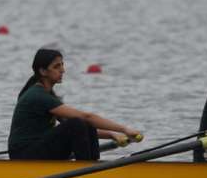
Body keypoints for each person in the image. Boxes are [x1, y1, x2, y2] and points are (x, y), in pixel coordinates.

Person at [8, 48, 142, 161]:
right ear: (43, 71)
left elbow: (84, 127)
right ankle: (86, 170)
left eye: (62, 65)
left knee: (85, 124)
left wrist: (112, 135)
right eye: (56, 66)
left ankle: (92, 165)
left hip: (36, 149)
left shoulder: (47, 94)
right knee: (77, 122)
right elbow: (86, 117)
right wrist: (124, 129)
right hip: (24, 155)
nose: (62, 70)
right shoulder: (38, 95)